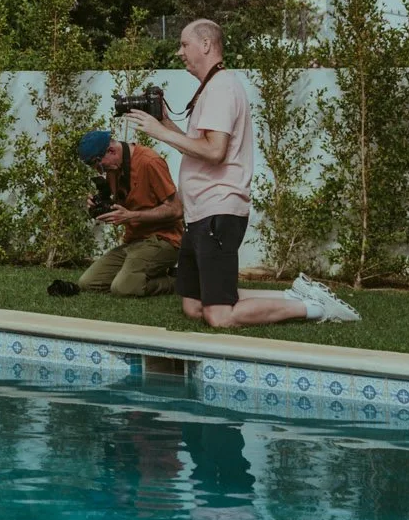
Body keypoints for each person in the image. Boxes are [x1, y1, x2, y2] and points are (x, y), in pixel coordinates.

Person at [122, 18, 361, 328]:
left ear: (205, 45)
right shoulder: (212, 87)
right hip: (200, 212)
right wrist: (166, 124)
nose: (179, 52)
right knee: (193, 305)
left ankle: (314, 308)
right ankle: (294, 296)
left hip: (218, 209)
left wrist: (160, 133)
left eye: (184, 44)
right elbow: (198, 148)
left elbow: (215, 151)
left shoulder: (221, 88)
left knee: (219, 316)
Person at [57, 128, 181, 297]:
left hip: (163, 240)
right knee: (88, 283)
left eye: (100, 166)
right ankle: (145, 273)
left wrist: (131, 216)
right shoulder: (115, 168)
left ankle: (180, 282)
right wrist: (97, 204)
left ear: (111, 151)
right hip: (134, 241)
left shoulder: (149, 162)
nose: (100, 171)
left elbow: (176, 209)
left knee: (122, 288)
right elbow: (121, 200)